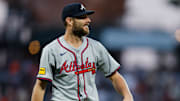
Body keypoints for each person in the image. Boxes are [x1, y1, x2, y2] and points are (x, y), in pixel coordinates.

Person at [31, 3, 133, 101]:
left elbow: (115, 76)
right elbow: (40, 85)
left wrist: (127, 94)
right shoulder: (51, 50)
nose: (88, 20)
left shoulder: (96, 47)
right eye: (82, 18)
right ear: (69, 21)